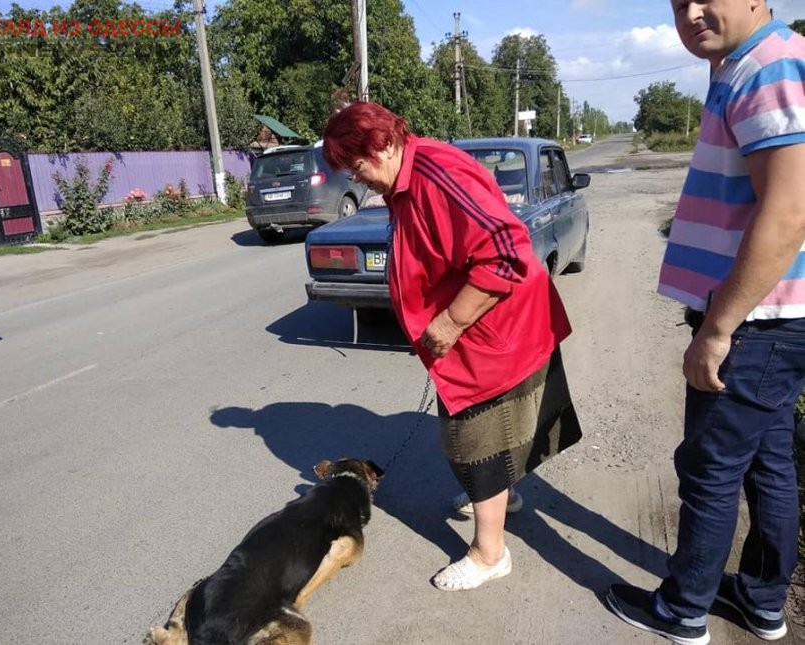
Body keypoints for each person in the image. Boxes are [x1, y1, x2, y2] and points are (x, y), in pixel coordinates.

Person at [606, 2, 805, 643]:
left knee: (711, 467)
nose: (691, 13)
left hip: (756, 321)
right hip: (774, 316)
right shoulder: (747, 64)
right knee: (767, 464)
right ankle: (762, 601)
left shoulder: (769, 67)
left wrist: (719, 328)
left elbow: (788, 212)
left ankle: (683, 608)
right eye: (677, 0)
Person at [322, 101, 582, 591]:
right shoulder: (402, 181)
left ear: (382, 144)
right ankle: (504, 500)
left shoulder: (436, 174)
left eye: (357, 167)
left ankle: (490, 554)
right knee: (497, 430)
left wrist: (450, 320)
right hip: (470, 338)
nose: (359, 181)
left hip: (491, 330)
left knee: (476, 442)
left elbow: (505, 252)